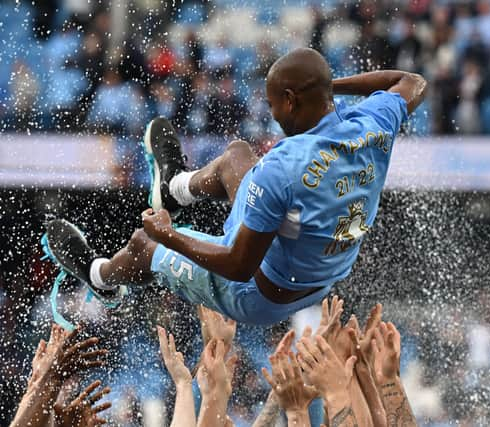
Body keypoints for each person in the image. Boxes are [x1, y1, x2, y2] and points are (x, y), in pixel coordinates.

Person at [44, 47, 427, 325]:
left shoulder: (283, 166)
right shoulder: (374, 122)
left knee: (146, 245)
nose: (272, 113)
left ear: (290, 101)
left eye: (273, 103)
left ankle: (99, 277)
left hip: (258, 295)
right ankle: (174, 187)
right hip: (317, 278)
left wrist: (167, 234)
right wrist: (324, 88)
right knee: (237, 156)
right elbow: (410, 81)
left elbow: (239, 267)